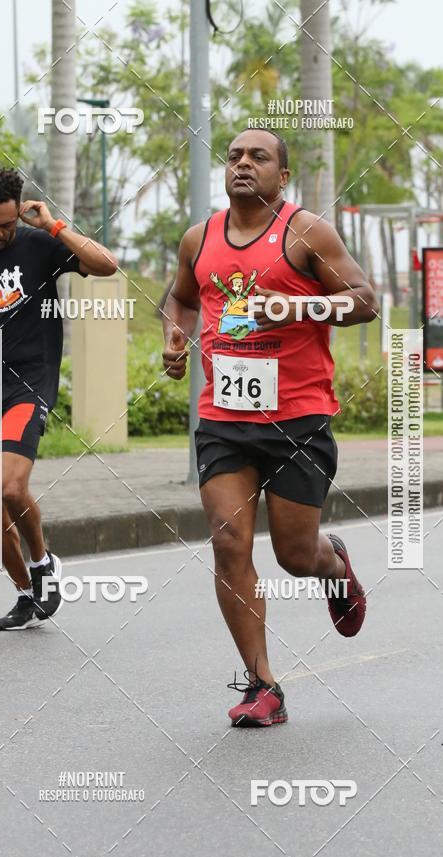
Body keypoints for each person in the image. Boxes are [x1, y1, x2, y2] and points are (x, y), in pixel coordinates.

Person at [161, 128, 378, 727]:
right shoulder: (198, 238)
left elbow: (364, 299)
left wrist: (300, 305)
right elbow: (178, 299)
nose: (243, 165)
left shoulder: (306, 232)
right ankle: (263, 686)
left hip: (298, 417)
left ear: (282, 176)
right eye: (234, 157)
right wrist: (174, 336)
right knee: (229, 544)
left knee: (294, 555)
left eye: (258, 157)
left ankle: (334, 564)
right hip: (223, 419)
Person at [0, 166, 117, 630]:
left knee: (11, 486)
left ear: (18, 215)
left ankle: (43, 562)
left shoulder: (40, 244)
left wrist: (52, 224)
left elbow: (106, 264)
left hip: (33, 373)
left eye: (6, 225)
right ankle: (28, 594)